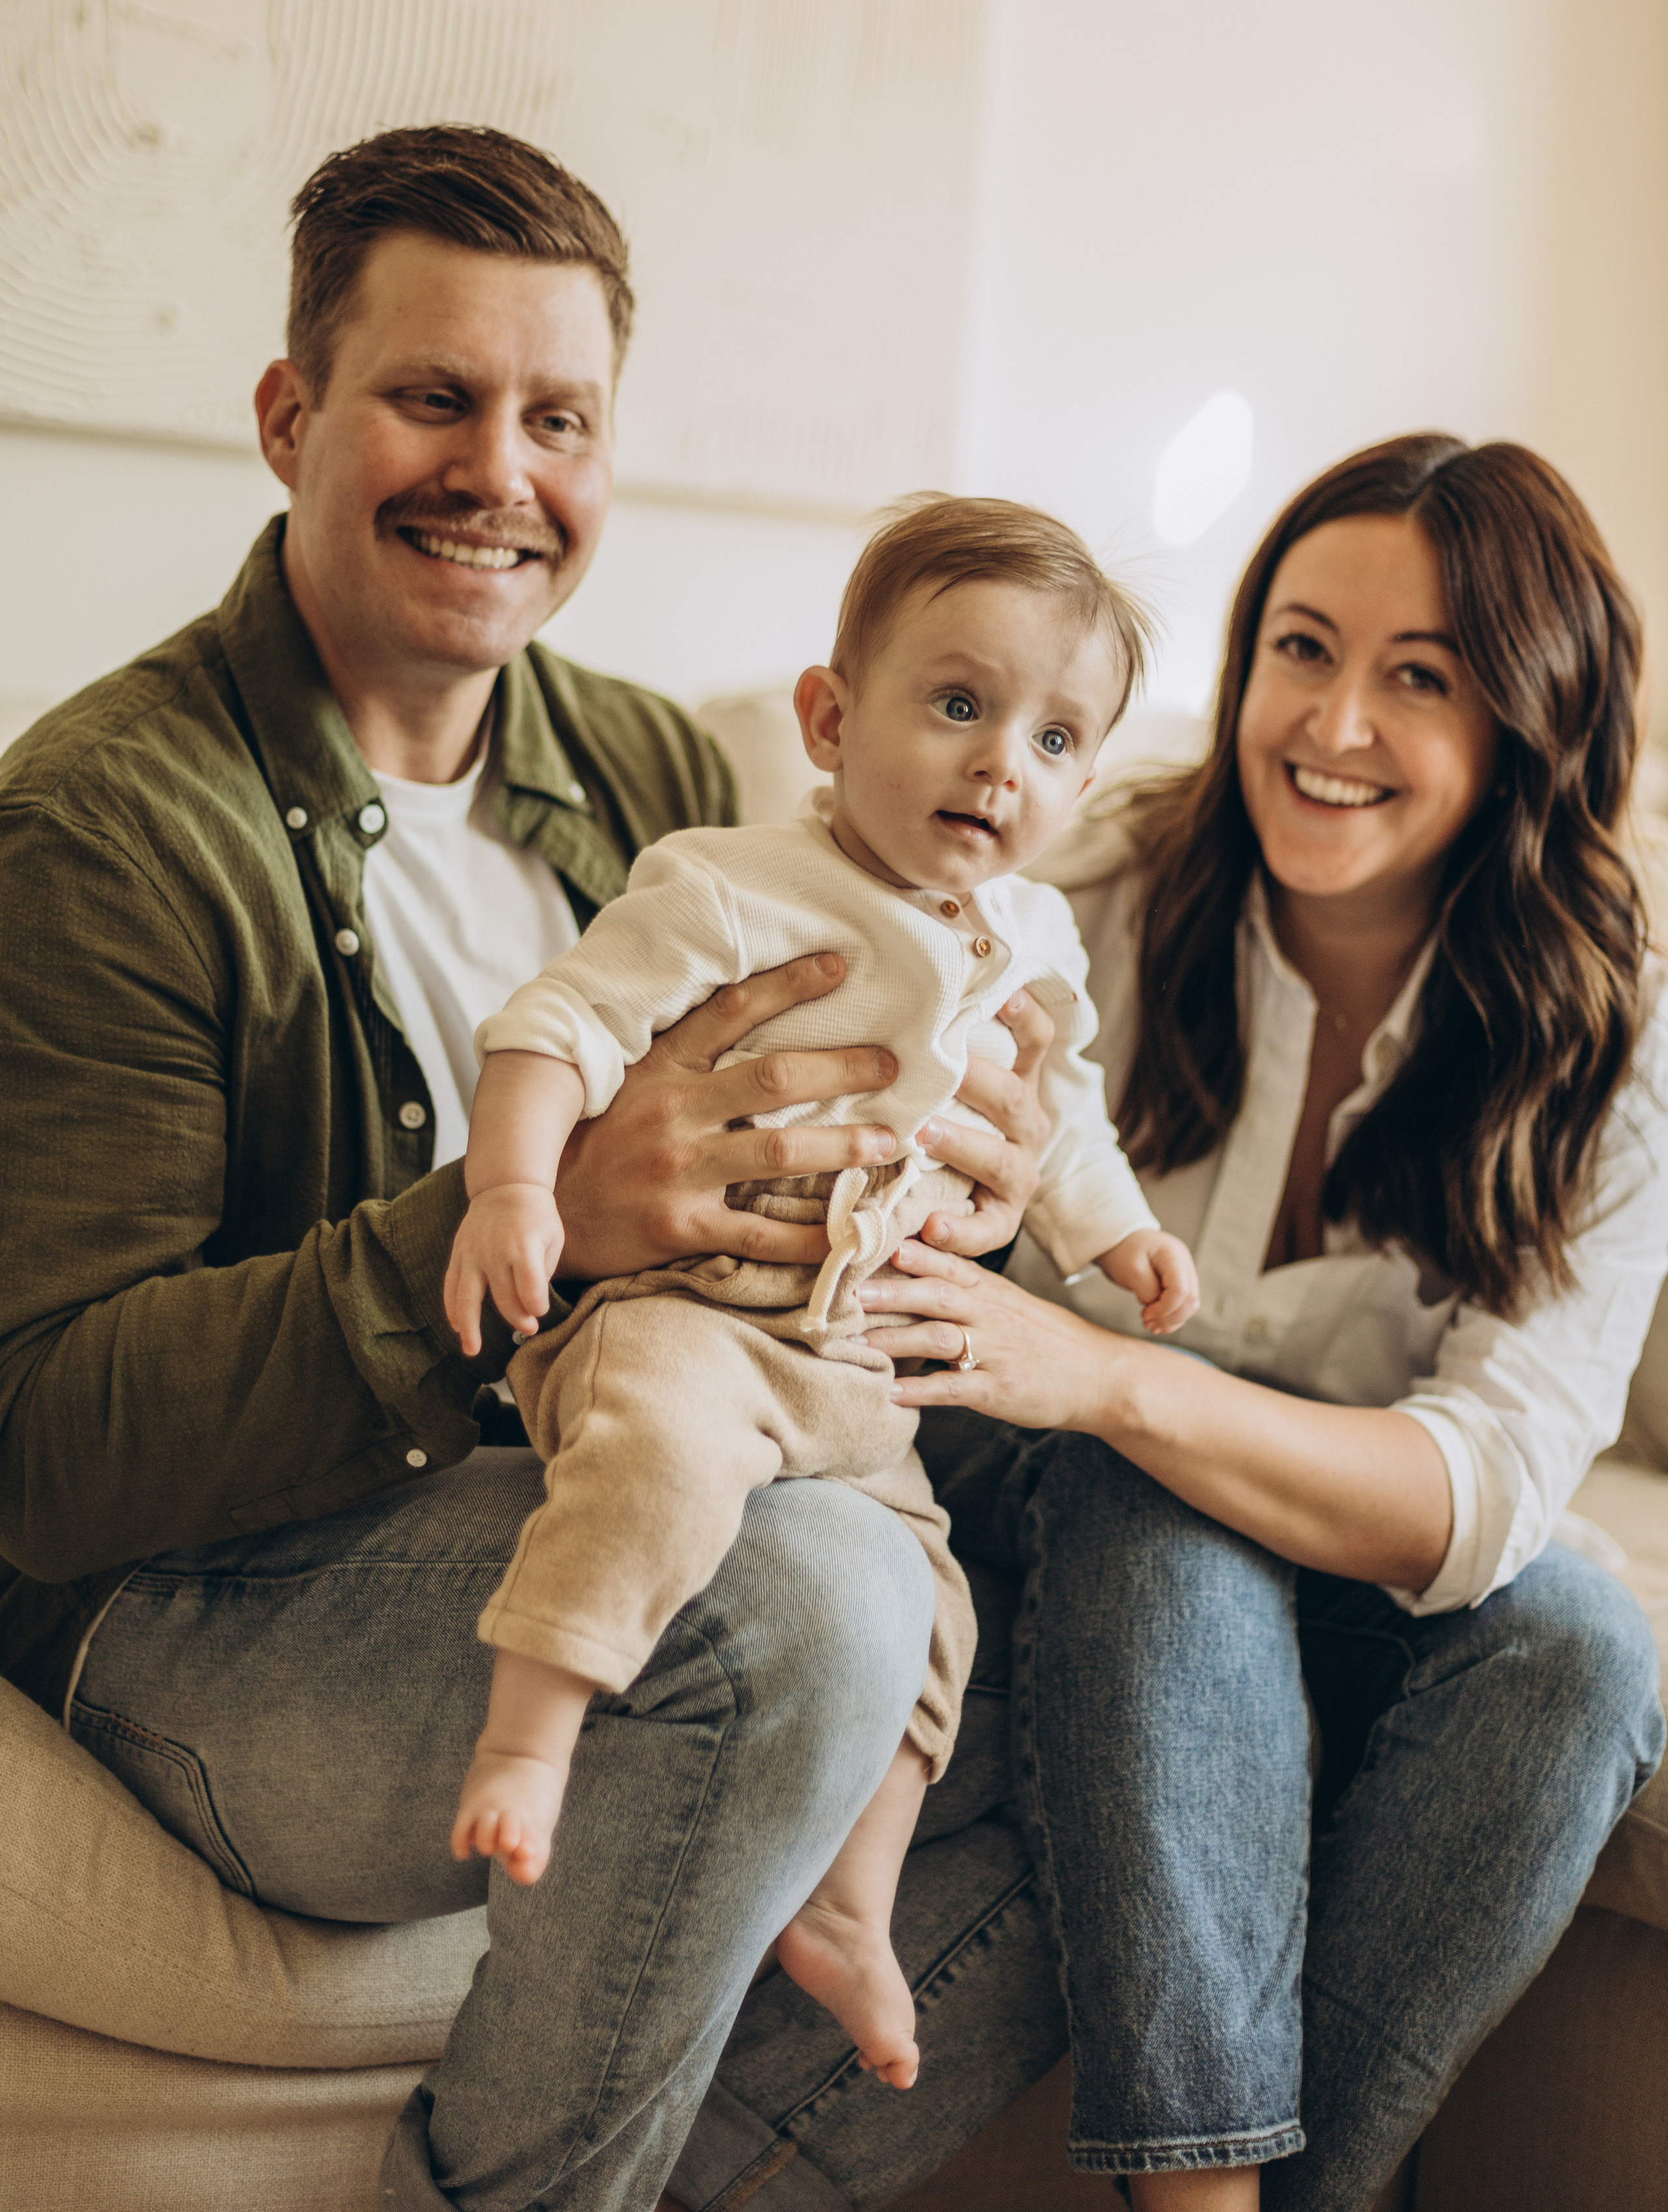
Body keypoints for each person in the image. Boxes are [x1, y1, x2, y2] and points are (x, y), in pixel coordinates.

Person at [0, 124, 1058, 2212]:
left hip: (607, 1456)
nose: (500, 471)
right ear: (290, 417)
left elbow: (822, 1140)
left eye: (557, 417)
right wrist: (545, 1224)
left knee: (1127, 1588)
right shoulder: (105, 830)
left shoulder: (646, 767)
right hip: (200, 1589)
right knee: (802, 1606)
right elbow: (42, 1447)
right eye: (434, 396)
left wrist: (969, 1179)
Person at [787, 432, 1664, 2210]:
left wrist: (1119, 1378)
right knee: (1154, 1496)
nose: (1331, 724)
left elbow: (1488, 1487)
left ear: (1528, 722)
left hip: (1267, 1511)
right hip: (1023, 1489)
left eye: (1419, 678)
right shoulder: (1084, 884)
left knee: (1583, 1649)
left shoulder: (1606, 1024)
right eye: (1300, 648)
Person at [440, 497, 1200, 2090]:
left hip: (850, 1361)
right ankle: (531, 1732)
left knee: (930, 1604)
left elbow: (1060, 1118)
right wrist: (513, 1191)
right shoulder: (732, 887)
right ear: (829, 720)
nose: (1000, 765)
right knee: (656, 1462)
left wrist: (1114, 1236)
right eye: (957, 704)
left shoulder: (1034, 934)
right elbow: (554, 1029)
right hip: (687, 1313)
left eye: (1054, 738)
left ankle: (851, 1903)